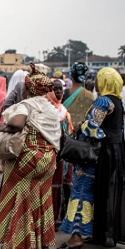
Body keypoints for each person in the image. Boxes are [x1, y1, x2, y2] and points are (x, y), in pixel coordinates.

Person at [0, 64, 60, 249]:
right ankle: (43, 244)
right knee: (42, 198)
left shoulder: (27, 105)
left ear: (29, 89)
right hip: (48, 159)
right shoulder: (51, 107)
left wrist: (4, 128)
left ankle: (15, 244)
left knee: (18, 195)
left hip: (28, 158)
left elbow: (17, 123)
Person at [59, 68, 125, 249]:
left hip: (96, 155)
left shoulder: (104, 101)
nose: (96, 82)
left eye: (98, 79)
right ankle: (98, 232)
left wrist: (79, 125)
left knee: (82, 192)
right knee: (100, 192)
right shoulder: (118, 101)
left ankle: (75, 237)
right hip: (112, 154)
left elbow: (92, 126)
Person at [46, 79, 74, 231]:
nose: (58, 92)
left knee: (64, 185)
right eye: (55, 89)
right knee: (51, 186)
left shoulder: (63, 110)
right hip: (51, 154)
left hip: (64, 155)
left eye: (60, 89)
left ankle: (61, 218)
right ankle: (51, 219)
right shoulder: (46, 110)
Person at [64, 62, 95, 130]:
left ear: (71, 75)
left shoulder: (64, 93)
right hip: (82, 131)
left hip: (65, 130)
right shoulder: (89, 95)